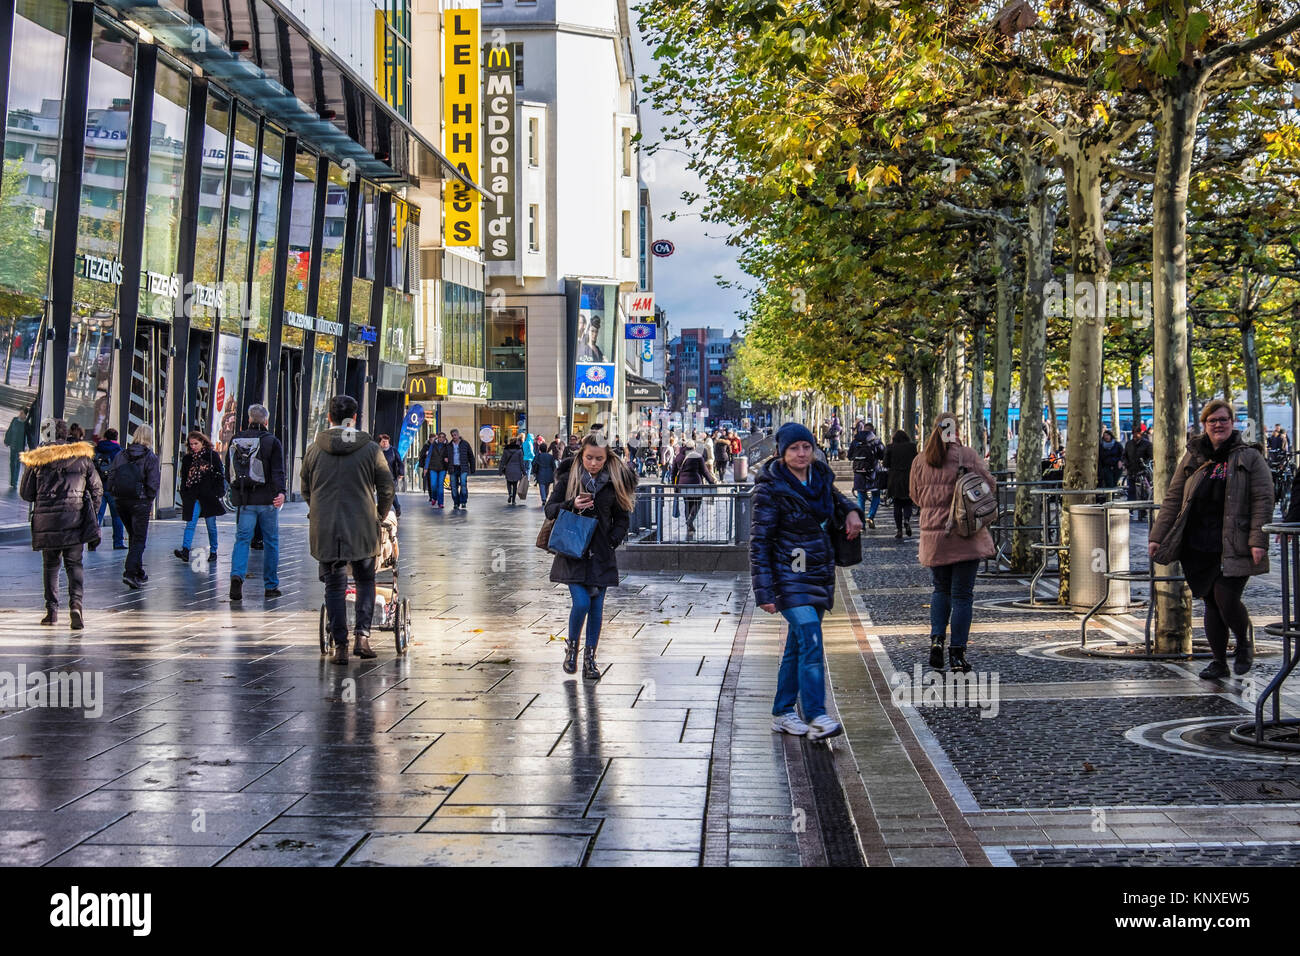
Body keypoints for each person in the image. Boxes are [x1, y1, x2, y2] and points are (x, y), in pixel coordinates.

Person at [751, 422, 862, 740]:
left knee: (797, 645)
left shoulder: (821, 478)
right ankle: (816, 716)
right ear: (781, 453)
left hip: (819, 572)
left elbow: (840, 500)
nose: (801, 453)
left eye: (806, 447)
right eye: (794, 448)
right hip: (787, 576)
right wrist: (765, 591)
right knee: (811, 637)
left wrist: (853, 511)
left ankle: (783, 712)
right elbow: (759, 543)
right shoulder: (769, 488)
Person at [1149, 400, 1272, 679]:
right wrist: (1158, 536)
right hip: (1198, 544)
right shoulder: (1194, 456)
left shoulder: (1249, 457)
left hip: (1233, 542)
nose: (1218, 424)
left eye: (1223, 419)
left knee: (1226, 598)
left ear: (1232, 422)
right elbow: (1173, 499)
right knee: (1211, 602)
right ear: (1204, 424)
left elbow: (1263, 501)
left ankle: (1243, 642)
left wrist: (1257, 541)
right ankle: (1219, 662)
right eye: (1212, 420)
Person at [301, 394, 395, 664]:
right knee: (365, 580)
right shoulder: (370, 449)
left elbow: (305, 487)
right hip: (362, 526)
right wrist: (379, 514)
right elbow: (387, 486)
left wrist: (318, 508)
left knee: (334, 584)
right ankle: (362, 637)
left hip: (326, 526)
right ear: (354, 419)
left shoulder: (314, 449)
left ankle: (340, 645)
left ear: (329, 418)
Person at [545, 432, 638, 680]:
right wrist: (571, 504)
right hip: (573, 551)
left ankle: (590, 659)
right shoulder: (568, 478)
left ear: (607, 458)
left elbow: (622, 517)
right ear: (581, 455)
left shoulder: (614, 481)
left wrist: (612, 540)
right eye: (589, 458)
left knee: (596, 608)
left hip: (601, 554)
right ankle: (572, 650)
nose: (593, 463)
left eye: (599, 459)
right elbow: (550, 509)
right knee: (582, 603)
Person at [910, 412, 997, 673]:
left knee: (940, 590)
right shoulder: (967, 456)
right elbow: (989, 485)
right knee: (962, 596)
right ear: (956, 431)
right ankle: (957, 654)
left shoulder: (920, 460)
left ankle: (937, 640)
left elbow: (914, 496)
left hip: (934, 537)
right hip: (965, 534)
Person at [19, 419, 101, 629]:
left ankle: (51, 611)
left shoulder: (37, 460)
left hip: (47, 521)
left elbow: (26, 493)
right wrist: (90, 512)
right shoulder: (83, 458)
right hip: (75, 519)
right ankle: (76, 605)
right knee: (74, 564)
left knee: (50, 566)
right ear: (66, 435)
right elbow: (97, 489)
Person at [226, 404, 286, 601]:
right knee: (271, 542)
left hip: (245, 500)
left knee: (242, 539)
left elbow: (230, 470)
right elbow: (278, 471)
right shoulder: (271, 441)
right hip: (267, 500)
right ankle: (270, 585)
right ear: (266, 421)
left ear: (249, 419)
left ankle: (237, 576)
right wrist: (281, 493)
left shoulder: (236, 439)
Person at [108, 424, 161, 590]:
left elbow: (111, 476)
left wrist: (114, 494)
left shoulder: (121, 454)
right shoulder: (150, 457)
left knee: (133, 535)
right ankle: (130, 572)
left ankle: (138, 570)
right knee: (139, 538)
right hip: (140, 501)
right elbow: (153, 482)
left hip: (121, 501)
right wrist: (150, 500)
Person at [174, 431, 225, 563]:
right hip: (193, 495)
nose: (193, 447)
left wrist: (218, 492)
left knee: (211, 525)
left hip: (208, 495)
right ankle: (185, 550)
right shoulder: (188, 459)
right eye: (191, 444)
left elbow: (220, 475)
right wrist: (184, 493)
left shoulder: (212, 456)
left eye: (196, 443)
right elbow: (184, 477)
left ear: (203, 442)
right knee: (190, 523)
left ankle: (213, 550)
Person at [90, 427, 126, 551]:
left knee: (97, 516)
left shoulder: (96, 450)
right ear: (116, 438)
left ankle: (92, 542)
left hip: (98, 487)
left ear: (105, 437)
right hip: (114, 488)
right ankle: (118, 542)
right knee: (117, 516)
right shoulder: (120, 452)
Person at [674, 439, 716, 540]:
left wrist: (675, 486)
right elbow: (705, 472)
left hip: (682, 484)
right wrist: (712, 482)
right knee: (697, 502)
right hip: (696, 483)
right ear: (694, 447)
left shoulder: (679, 456)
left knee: (687, 503)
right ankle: (690, 520)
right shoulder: (698, 456)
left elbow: (673, 472)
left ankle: (690, 526)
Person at [848, 422, 885, 528]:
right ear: (873, 430)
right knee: (876, 495)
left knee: (861, 497)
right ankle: (871, 516)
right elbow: (883, 455)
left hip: (859, 473)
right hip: (873, 473)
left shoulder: (855, 441)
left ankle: (862, 522)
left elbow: (850, 456)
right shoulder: (876, 441)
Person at [884, 429, 918, 538]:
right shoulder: (912, 446)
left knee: (897, 505)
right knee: (908, 502)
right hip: (909, 477)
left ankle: (899, 530)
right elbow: (916, 461)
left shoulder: (890, 447)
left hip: (894, 478)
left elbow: (885, 464)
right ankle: (907, 520)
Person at [1124, 424, 1154, 520]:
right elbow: (1124, 455)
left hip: (1143, 472)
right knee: (1131, 492)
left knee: (1143, 493)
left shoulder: (1147, 444)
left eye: (1138, 433)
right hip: (1131, 471)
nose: (1136, 435)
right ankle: (1130, 510)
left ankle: (1143, 512)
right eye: (1134, 433)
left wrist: (1145, 464)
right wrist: (1126, 464)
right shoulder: (1129, 444)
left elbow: (1151, 457)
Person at [446, 427, 476, 510]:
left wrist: (472, 468)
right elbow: (445, 456)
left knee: (463, 484)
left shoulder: (465, 444)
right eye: (452, 435)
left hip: (463, 467)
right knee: (454, 486)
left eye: (455, 435)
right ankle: (456, 502)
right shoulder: (449, 445)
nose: (454, 437)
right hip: (453, 468)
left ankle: (463, 502)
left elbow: (471, 456)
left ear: (458, 435)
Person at [378, 434, 403, 517]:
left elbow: (400, 462)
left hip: (391, 476)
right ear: (380, 443)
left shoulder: (393, 450)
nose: (385, 443)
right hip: (379, 476)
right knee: (380, 493)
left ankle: (397, 508)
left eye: (386, 442)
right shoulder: (377, 451)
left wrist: (401, 473)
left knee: (391, 493)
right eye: (383, 442)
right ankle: (381, 512)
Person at [423, 431, 449, 508]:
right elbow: (429, 456)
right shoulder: (433, 445)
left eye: (443, 437)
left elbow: (450, 455)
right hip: (433, 467)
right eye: (440, 437)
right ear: (438, 437)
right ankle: (434, 497)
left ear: (445, 438)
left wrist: (448, 459)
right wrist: (426, 468)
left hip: (442, 468)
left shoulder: (447, 446)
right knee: (433, 485)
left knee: (440, 485)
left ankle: (441, 503)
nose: (441, 438)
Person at [5, 408, 29, 488]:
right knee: (12, 462)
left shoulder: (26, 424)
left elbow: (28, 436)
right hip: (13, 444)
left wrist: (26, 446)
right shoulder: (15, 420)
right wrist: (7, 440)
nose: (20, 414)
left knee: (17, 464)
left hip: (20, 447)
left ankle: (14, 481)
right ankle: (12, 480)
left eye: (22, 413)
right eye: (20, 412)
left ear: (25, 415)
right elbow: (10, 430)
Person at [499, 437, 525, 504]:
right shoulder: (519, 451)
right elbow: (522, 463)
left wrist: (500, 470)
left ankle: (510, 493)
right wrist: (524, 472)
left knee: (508, 482)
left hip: (508, 469)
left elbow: (503, 461)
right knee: (515, 484)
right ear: (516, 442)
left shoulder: (506, 450)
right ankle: (513, 500)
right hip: (517, 469)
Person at [532, 439, 557, 506]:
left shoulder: (538, 456)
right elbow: (553, 466)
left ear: (540, 449)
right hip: (549, 473)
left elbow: (533, 463)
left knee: (542, 487)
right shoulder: (550, 456)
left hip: (540, 473)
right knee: (547, 487)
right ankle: (545, 497)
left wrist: (534, 471)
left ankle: (544, 499)